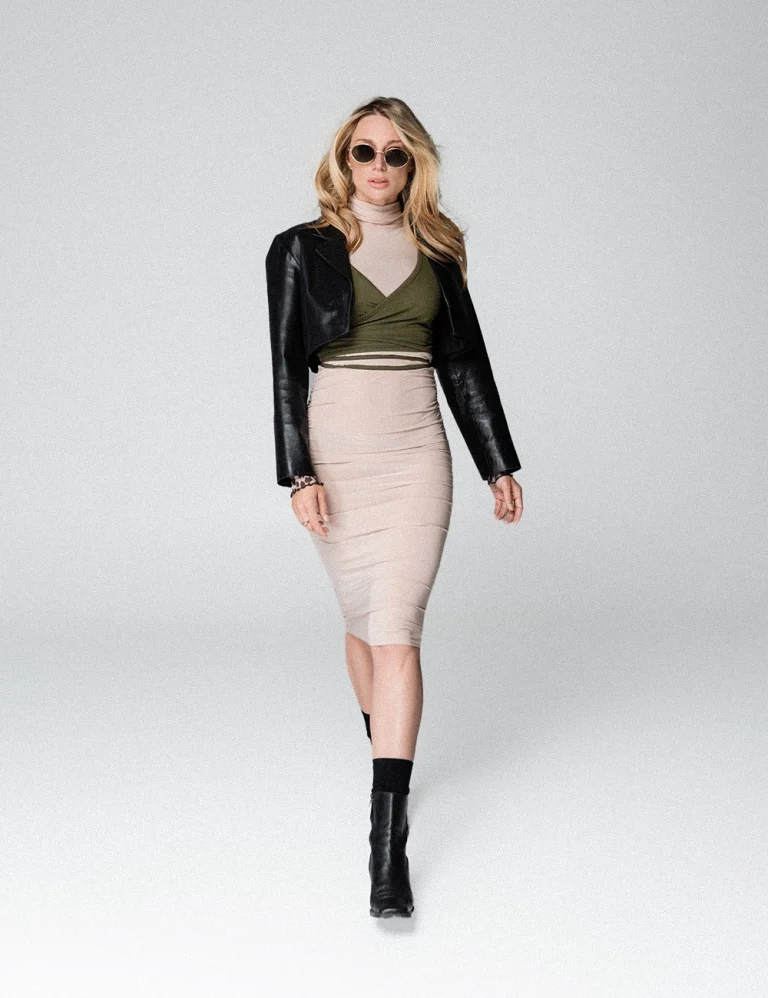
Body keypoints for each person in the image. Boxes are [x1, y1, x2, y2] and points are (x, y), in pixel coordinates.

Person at [265, 96, 524, 918]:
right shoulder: (299, 249)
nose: (378, 166)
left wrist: (496, 461)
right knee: (360, 620)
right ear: (343, 160)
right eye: (364, 151)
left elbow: (465, 361)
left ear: (416, 166)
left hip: (417, 452)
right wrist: (299, 475)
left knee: (396, 628)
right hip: (337, 454)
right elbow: (283, 368)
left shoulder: (438, 249)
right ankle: (387, 743)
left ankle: (388, 840)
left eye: (395, 154)